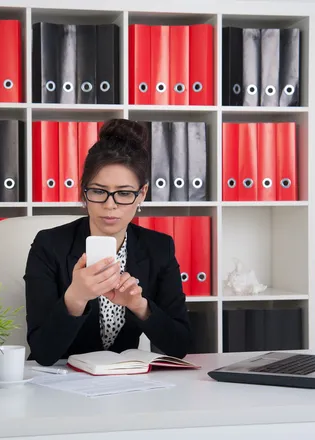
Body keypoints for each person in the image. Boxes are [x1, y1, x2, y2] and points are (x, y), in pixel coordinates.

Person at [23, 118, 193, 366]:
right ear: (84, 192)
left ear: (141, 194)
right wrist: (76, 298)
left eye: (124, 193)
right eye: (99, 191)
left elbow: (180, 346)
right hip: (60, 383)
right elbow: (43, 353)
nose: (110, 205)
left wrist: (140, 306)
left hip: (124, 385)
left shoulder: (159, 249)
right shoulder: (48, 246)